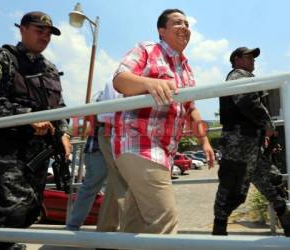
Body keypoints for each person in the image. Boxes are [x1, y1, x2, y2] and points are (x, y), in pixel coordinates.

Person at [111, 9, 214, 235]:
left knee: (133, 225)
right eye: (177, 23)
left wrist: (205, 142)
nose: (185, 27)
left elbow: (191, 109)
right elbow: (120, 80)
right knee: (164, 222)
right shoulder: (147, 49)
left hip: (164, 152)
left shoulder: (187, 69)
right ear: (162, 30)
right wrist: (149, 83)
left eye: (187, 23)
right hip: (139, 145)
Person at [0, 11, 71, 249]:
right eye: (39, 30)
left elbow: (61, 108)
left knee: (28, 213)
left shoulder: (50, 69)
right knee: (8, 214)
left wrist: (64, 132)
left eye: (49, 33)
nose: (45, 36)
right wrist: (26, 117)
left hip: (36, 159)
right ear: (22, 29)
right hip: (5, 156)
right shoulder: (2, 59)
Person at [212, 47, 290, 236]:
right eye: (248, 57)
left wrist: (265, 130)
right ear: (237, 60)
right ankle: (219, 231)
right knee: (232, 186)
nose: (253, 60)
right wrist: (267, 124)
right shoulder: (238, 75)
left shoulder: (247, 76)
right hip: (238, 143)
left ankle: (286, 219)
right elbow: (246, 100)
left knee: (271, 179)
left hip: (250, 142)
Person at [96, 80, 127, 232]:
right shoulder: (116, 80)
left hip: (120, 132)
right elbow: (108, 114)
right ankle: (131, 236)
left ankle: (104, 234)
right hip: (113, 132)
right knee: (124, 183)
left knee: (115, 185)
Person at [66, 122, 108, 231]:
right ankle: (73, 226)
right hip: (98, 150)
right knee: (90, 188)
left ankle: (73, 226)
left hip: (99, 150)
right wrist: (66, 134)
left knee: (91, 188)